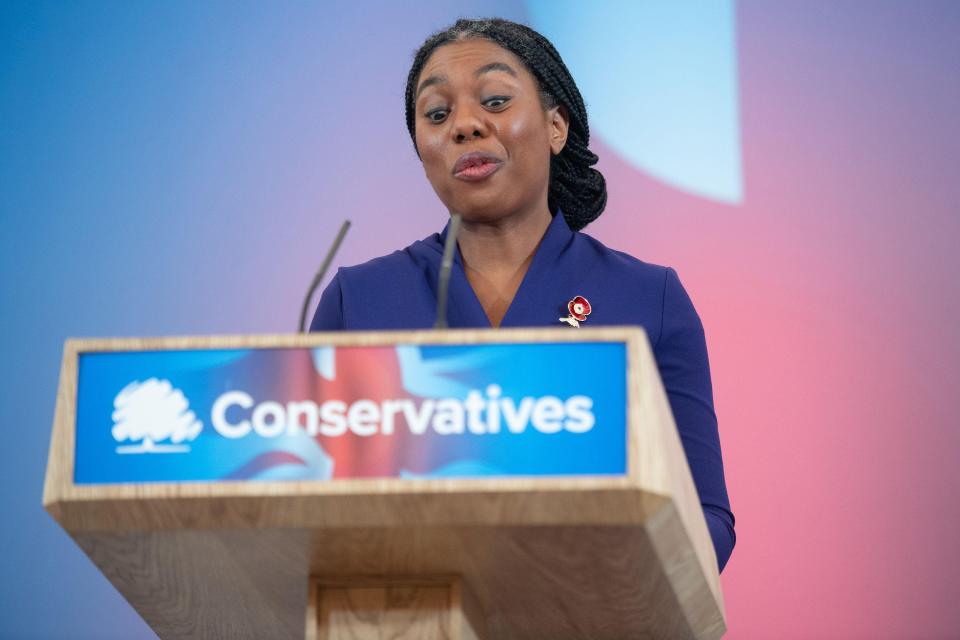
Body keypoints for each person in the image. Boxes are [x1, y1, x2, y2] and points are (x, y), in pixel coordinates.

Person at [310, 17, 736, 572]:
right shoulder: (359, 301)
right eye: (437, 114)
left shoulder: (646, 297)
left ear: (556, 126)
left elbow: (706, 517)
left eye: (494, 100)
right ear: (422, 148)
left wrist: (593, 572)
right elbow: (310, 513)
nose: (465, 125)